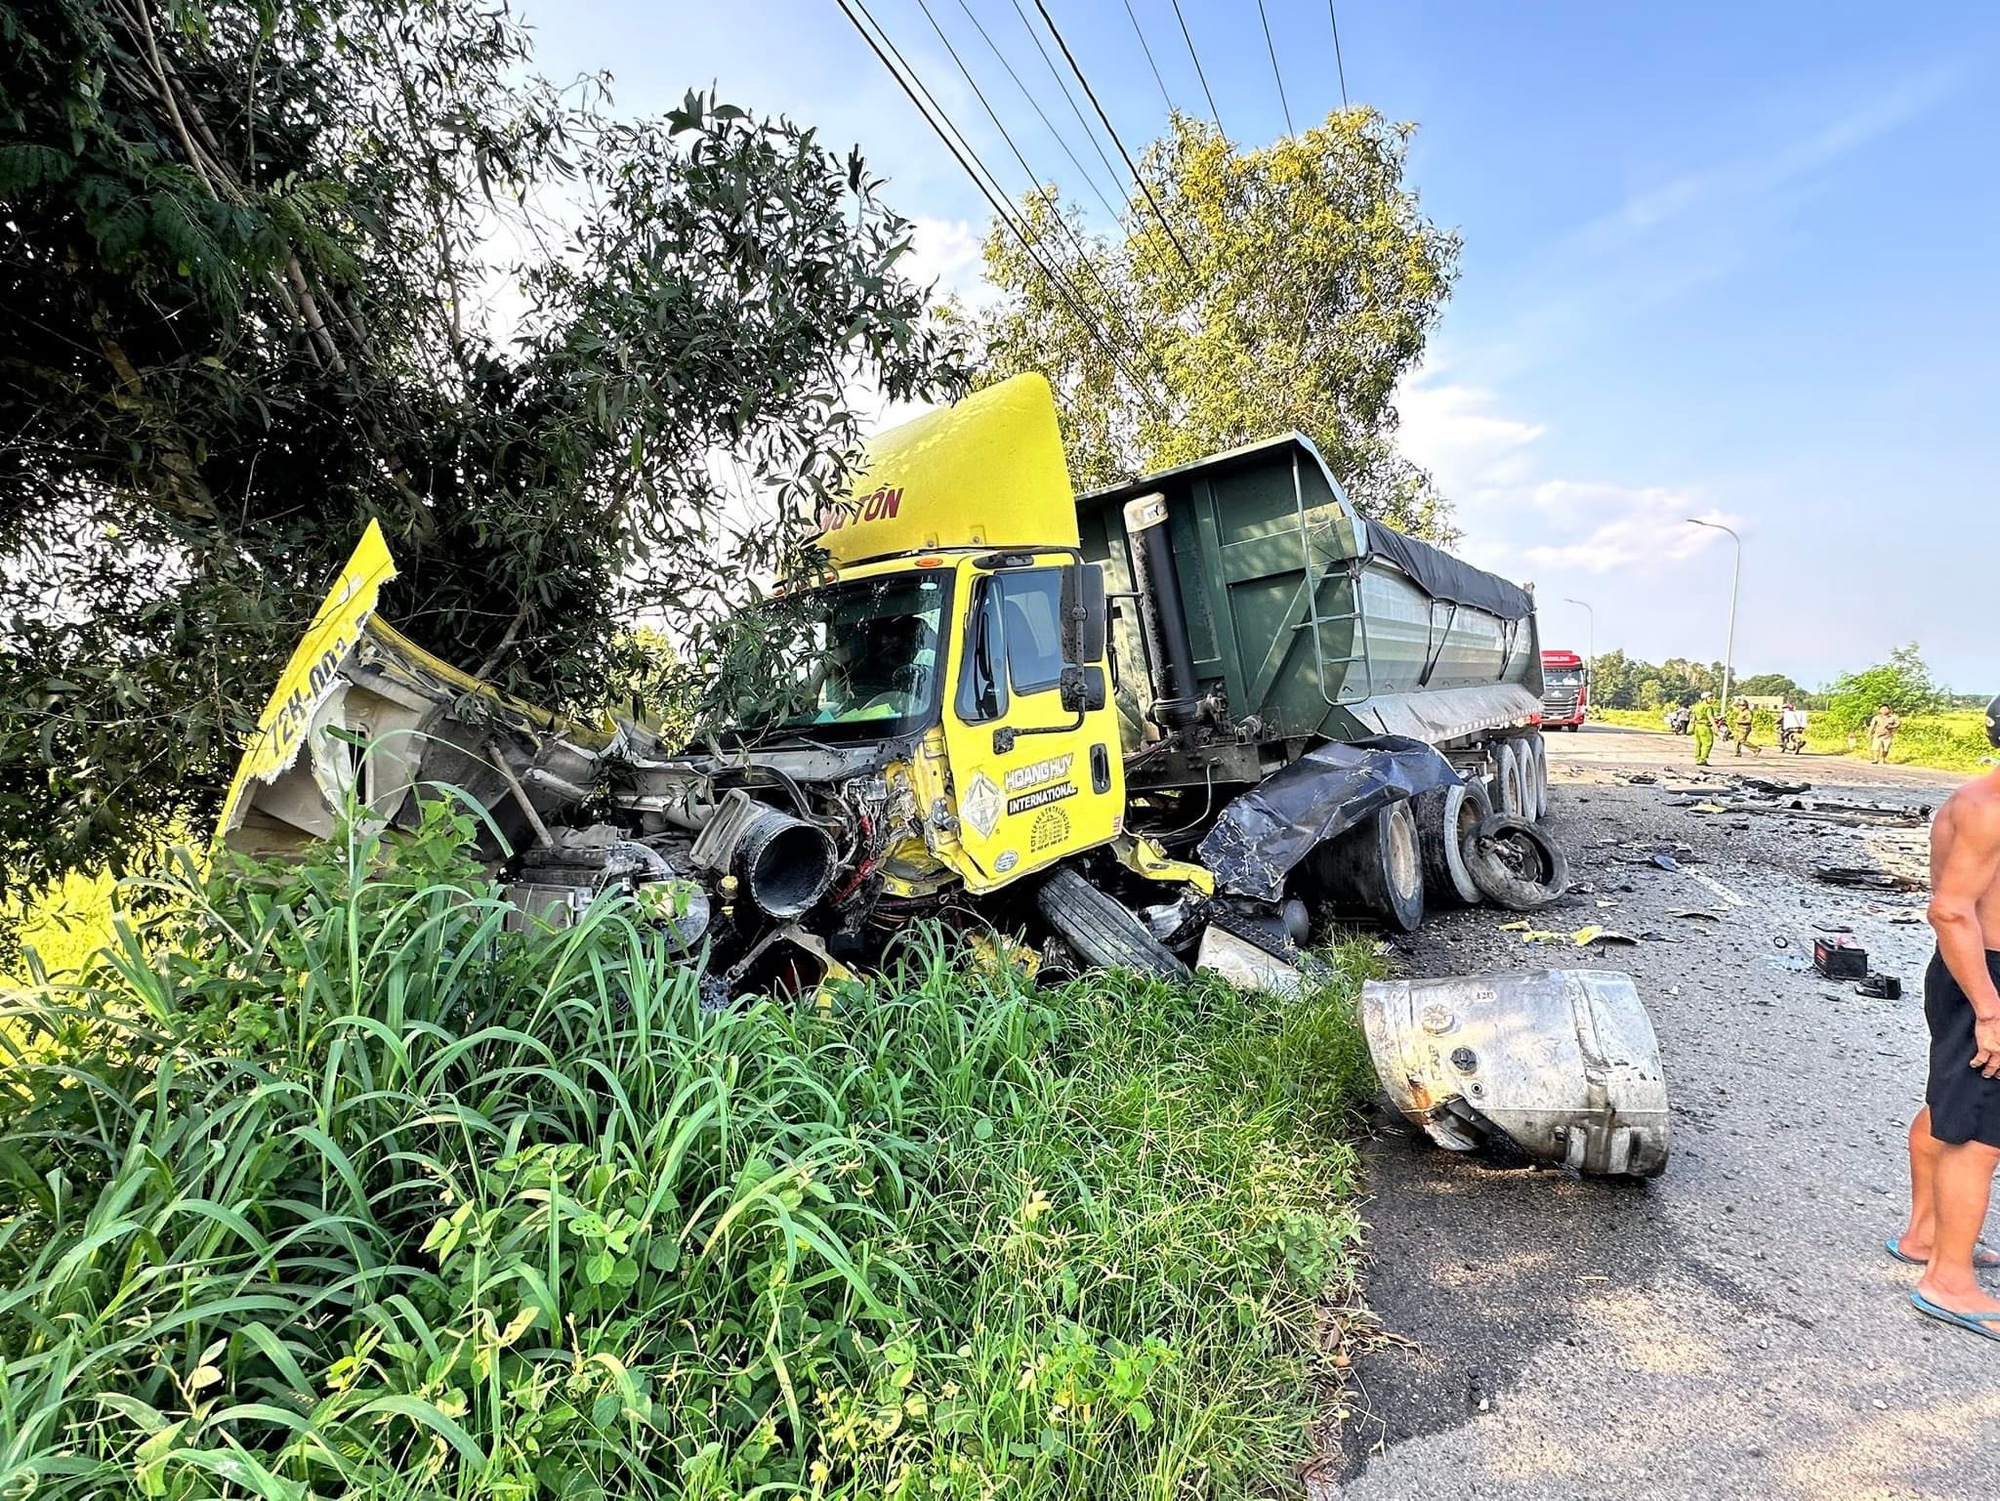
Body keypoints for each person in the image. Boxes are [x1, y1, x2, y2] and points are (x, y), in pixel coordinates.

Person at [1897, 695, 2000, 1340]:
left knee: (1949, 1106)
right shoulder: (1986, 809)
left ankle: (1928, 1233)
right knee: (1981, 1133)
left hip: (1975, 975)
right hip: (1984, 977)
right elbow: (1950, 911)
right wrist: (1990, 1010)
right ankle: (1949, 1279)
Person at [1690, 694, 1716, 765]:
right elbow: (1710, 717)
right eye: (1710, 698)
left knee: (1699, 743)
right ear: (1705, 699)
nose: (1712, 699)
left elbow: (1693, 718)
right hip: (1705, 727)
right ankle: (1703, 759)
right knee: (1708, 743)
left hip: (1697, 727)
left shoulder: (1697, 706)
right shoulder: (1708, 707)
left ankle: (1697, 758)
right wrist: (1715, 726)